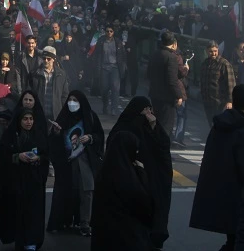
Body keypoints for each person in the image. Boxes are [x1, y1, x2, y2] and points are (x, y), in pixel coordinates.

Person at [190, 84, 244, 250]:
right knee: (242, 241)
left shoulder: (220, 126)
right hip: (241, 198)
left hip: (222, 195)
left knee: (234, 240)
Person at [109, 96, 172, 249]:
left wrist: (153, 126)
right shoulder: (123, 127)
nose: (148, 113)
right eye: (145, 110)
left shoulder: (153, 126)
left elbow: (163, 148)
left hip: (150, 179)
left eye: (150, 109)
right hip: (131, 179)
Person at [47, 90, 104, 237]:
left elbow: (99, 135)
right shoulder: (63, 117)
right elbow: (54, 142)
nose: (72, 103)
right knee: (69, 191)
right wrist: (57, 133)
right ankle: (66, 220)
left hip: (85, 160)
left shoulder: (90, 117)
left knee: (87, 191)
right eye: (70, 100)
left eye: (76, 100)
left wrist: (90, 137)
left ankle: (85, 222)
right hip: (67, 162)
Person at [0, 107, 50, 251]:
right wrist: (17, 156)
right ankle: (20, 239)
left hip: (34, 180)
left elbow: (46, 154)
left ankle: (32, 241)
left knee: (34, 212)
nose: (28, 122)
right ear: (19, 120)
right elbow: (1, 153)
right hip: (16, 180)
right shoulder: (11, 135)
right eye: (25, 119)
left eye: (31, 119)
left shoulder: (38, 135)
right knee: (19, 211)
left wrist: (39, 158)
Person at [91, 131, 153, 251]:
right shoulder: (127, 176)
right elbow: (144, 203)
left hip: (103, 234)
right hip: (125, 236)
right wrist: (142, 173)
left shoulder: (104, 171)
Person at [147, 31, 183, 140]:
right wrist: (178, 95)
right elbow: (172, 80)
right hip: (167, 97)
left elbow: (148, 73)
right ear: (174, 44)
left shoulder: (155, 54)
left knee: (157, 123)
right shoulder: (171, 57)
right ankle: (161, 149)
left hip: (154, 94)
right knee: (166, 126)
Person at [28, 46, 70, 122]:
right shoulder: (35, 74)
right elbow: (30, 93)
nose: (46, 61)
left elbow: (65, 95)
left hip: (56, 115)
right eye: (44, 58)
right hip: (39, 114)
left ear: (53, 59)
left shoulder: (61, 74)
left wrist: (64, 112)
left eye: (48, 59)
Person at [199, 41, 236, 126]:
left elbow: (231, 83)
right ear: (207, 51)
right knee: (211, 124)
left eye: (215, 51)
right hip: (207, 101)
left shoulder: (224, 64)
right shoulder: (204, 64)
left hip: (220, 102)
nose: (213, 53)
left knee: (220, 124)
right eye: (211, 51)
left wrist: (230, 101)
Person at [94, 25, 126, 116]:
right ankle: (105, 105)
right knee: (104, 89)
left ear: (113, 32)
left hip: (115, 67)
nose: (109, 33)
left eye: (111, 31)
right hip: (104, 67)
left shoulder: (118, 42)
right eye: (107, 31)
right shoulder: (101, 41)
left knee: (115, 89)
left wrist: (123, 67)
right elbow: (97, 55)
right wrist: (97, 67)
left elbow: (123, 55)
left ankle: (114, 109)